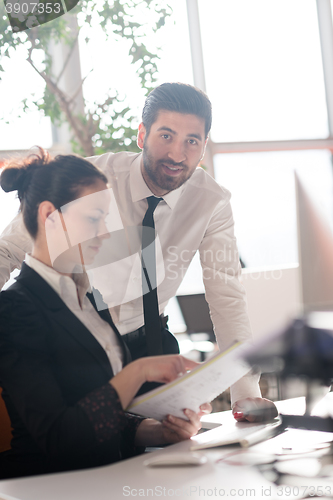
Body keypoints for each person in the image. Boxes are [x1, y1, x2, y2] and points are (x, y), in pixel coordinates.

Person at [0, 82, 277, 422]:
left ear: (204, 146)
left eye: (191, 141)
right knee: (88, 450)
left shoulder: (212, 202)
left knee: (173, 446)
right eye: (166, 136)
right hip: (85, 348)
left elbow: (227, 295)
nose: (177, 154)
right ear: (142, 134)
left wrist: (246, 392)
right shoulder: (92, 180)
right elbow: (6, 252)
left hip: (155, 345)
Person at [0, 150, 207, 479]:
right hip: (50, 487)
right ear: (50, 215)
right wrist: (137, 371)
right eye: (94, 218)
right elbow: (60, 437)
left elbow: (96, 414)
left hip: (110, 479)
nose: (106, 233)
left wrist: (158, 432)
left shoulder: (88, 299)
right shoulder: (15, 310)